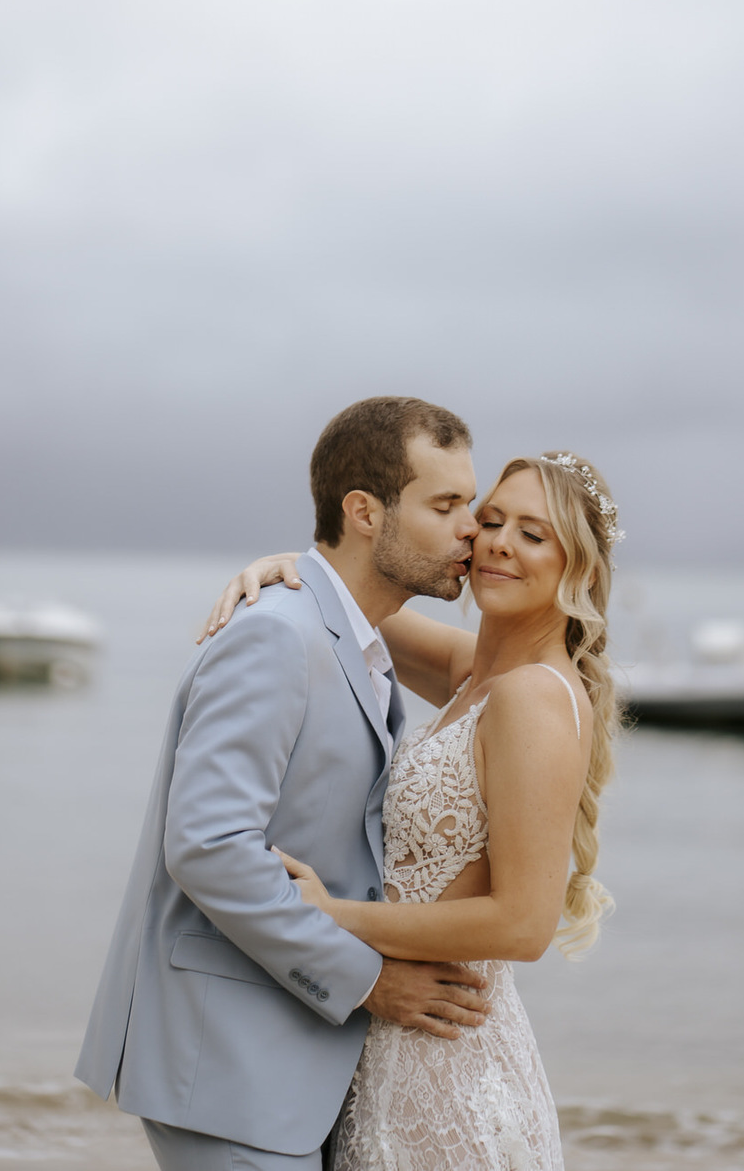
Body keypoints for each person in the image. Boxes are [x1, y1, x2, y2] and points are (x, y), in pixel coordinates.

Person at [74, 396, 494, 1171]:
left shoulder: (354, 638)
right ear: (365, 511)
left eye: (471, 502)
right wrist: (368, 980)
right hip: (229, 1064)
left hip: (290, 1067)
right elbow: (207, 847)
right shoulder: (274, 633)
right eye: (447, 503)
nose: (472, 526)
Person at [207, 449, 621, 1171]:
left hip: (450, 1072)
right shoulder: (477, 673)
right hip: (388, 1042)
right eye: (489, 519)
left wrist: (331, 915)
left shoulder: (531, 699)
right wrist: (281, 568)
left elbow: (523, 924)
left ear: (578, 568)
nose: (496, 540)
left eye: (533, 533)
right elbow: (346, 600)